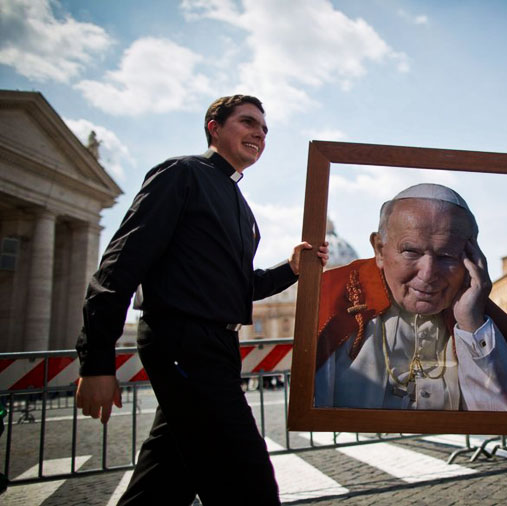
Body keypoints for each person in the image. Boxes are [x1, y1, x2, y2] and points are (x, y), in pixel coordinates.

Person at [74, 95, 328, 505]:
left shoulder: (242, 208)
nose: (259, 134)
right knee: (248, 482)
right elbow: (120, 266)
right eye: (247, 123)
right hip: (184, 342)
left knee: (162, 482)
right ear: (214, 126)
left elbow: (238, 287)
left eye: (264, 129)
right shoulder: (181, 174)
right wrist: (97, 359)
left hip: (219, 346)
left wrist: (290, 269)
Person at [314, 183, 507, 411]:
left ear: (473, 259)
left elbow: (496, 416)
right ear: (380, 250)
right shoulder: (335, 302)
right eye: (411, 251)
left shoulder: (476, 316)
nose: (428, 274)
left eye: (447, 255)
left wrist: (471, 325)